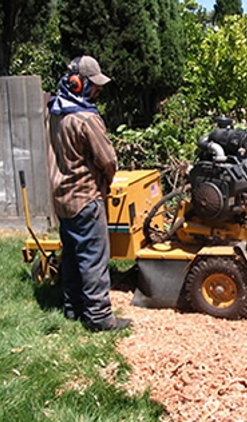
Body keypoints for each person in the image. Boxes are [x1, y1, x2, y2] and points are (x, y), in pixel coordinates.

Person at [47, 55, 130, 332]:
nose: (97, 91)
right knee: (93, 258)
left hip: (61, 197)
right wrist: (106, 183)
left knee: (71, 256)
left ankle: (73, 308)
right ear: (77, 82)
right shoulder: (86, 119)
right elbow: (108, 161)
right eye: (93, 85)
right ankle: (99, 318)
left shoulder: (56, 112)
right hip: (85, 197)